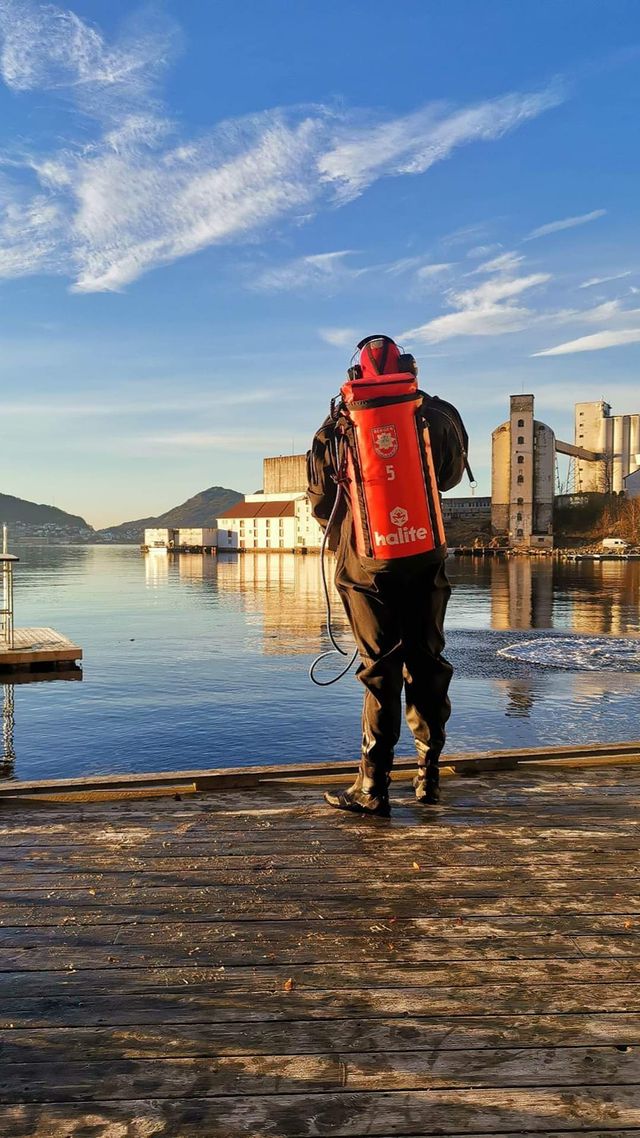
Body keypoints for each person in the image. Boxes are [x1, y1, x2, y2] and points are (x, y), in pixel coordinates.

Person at [307, 334, 469, 817]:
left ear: (354, 377)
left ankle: (373, 786)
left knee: (379, 670)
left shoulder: (336, 425)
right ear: (410, 370)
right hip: (425, 554)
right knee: (427, 660)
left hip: (365, 563)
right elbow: (450, 477)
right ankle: (429, 776)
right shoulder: (438, 415)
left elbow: (319, 501)